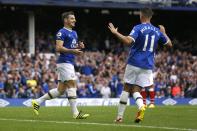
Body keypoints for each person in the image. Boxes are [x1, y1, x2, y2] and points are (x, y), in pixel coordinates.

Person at [108, 8, 172, 123]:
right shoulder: (157, 31)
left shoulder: (138, 28)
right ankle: (141, 106)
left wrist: (115, 32)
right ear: (151, 17)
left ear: (141, 15)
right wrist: (164, 33)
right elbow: (170, 45)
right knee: (136, 90)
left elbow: (128, 41)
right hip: (147, 65)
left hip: (134, 62)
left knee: (127, 88)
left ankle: (119, 117)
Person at [32, 11, 90, 119]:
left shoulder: (74, 33)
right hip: (64, 62)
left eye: (74, 18)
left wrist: (79, 45)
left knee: (60, 90)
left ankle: (37, 102)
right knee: (72, 85)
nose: (74, 20)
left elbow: (71, 46)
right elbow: (58, 48)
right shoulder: (61, 32)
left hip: (69, 62)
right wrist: (73, 51)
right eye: (72, 18)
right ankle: (75, 113)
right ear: (66, 20)